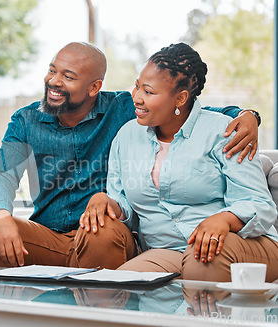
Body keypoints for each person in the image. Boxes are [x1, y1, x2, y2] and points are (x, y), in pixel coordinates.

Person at [0, 41, 260, 269]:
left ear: (94, 87)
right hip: (50, 235)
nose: (54, 81)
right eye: (52, 70)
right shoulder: (26, 120)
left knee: (101, 233)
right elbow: (1, 174)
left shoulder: (123, 109)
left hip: (106, 234)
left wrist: (247, 116)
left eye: (68, 77)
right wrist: (1, 214)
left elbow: (187, 110)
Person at [82, 43, 278, 281]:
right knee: (118, 286)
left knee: (203, 256)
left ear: (181, 98)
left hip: (238, 244)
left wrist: (224, 219)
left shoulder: (223, 132)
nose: (136, 98)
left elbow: (260, 204)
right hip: (167, 252)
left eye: (149, 92)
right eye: (136, 86)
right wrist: (106, 201)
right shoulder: (127, 136)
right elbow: (127, 208)